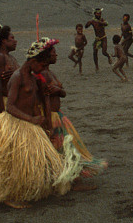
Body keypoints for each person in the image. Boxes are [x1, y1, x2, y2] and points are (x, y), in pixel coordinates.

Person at [0, 38, 80, 207]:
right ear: (33, 62)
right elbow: (10, 107)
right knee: (11, 163)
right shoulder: (18, 77)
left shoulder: (34, 77)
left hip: (29, 124)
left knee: (35, 160)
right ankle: (10, 196)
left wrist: (43, 123)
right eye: (41, 65)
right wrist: (31, 119)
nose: (42, 69)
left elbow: (35, 102)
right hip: (14, 124)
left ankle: (26, 190)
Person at [42, 42, 106, 184]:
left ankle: (69, 179)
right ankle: (72, 181)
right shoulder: (44, 74)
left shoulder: (49, 72)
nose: (56, 55)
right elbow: (46, 97)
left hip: (58, 115)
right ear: (46, 55)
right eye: (53, 52)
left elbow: (62, 93)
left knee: (66, 149)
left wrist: (58, 91)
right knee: (64, 149)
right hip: (51, 116)